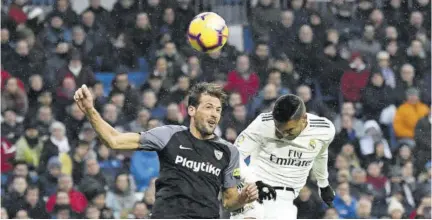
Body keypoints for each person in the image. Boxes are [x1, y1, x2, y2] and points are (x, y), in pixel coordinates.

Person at [73, 82, 264, 218]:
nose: (214, 114)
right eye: (208, 107)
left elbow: (229, 201)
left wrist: (243, 198)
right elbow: (114, 140)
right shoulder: (169, 135)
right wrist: (90, 110)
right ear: (191, 110)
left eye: (218, 110)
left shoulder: (229, 151)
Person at [231, 94, 336, 219]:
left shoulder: (324, 130)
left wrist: (323, 184)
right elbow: (234, 156)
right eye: (278, 129)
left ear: (303, 119)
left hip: (285, 200)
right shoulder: (263, 124)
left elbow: (320, 155)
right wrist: (252, 181)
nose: (282, 135)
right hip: (253, 190)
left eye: (289, 131)